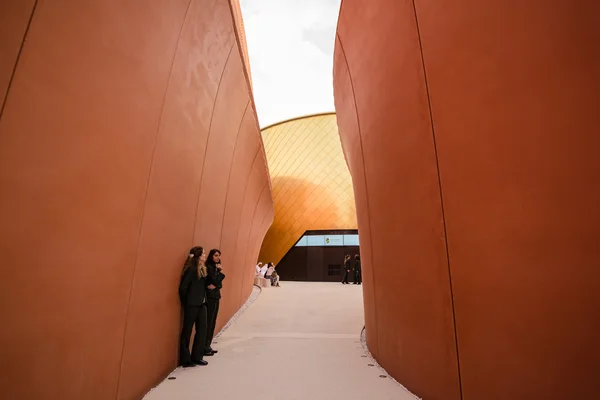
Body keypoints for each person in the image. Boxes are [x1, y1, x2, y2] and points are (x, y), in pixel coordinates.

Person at [178, 246, 209, 367]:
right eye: (203, 254)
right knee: (187, 331)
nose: (205, 255)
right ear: (198, 256)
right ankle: (185, 359)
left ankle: (197, 356)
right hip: (192, 305)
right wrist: (187, 302)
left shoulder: (202, 269)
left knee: (202, 331)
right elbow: (183, 288)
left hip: (202, 304)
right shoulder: (191, 269)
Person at [205, 249, 225, 356]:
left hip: (216, 296)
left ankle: (208, 344)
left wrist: (217, 283)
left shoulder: (215, 268)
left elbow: (219, 284)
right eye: (216, 255)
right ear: (211, 256)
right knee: (209, 321)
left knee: (212, 322)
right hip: (210, 297)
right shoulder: (209, 267)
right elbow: (215, 281)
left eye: (219, 256)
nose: (218, 258)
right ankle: (205, 346)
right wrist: (220, 274)